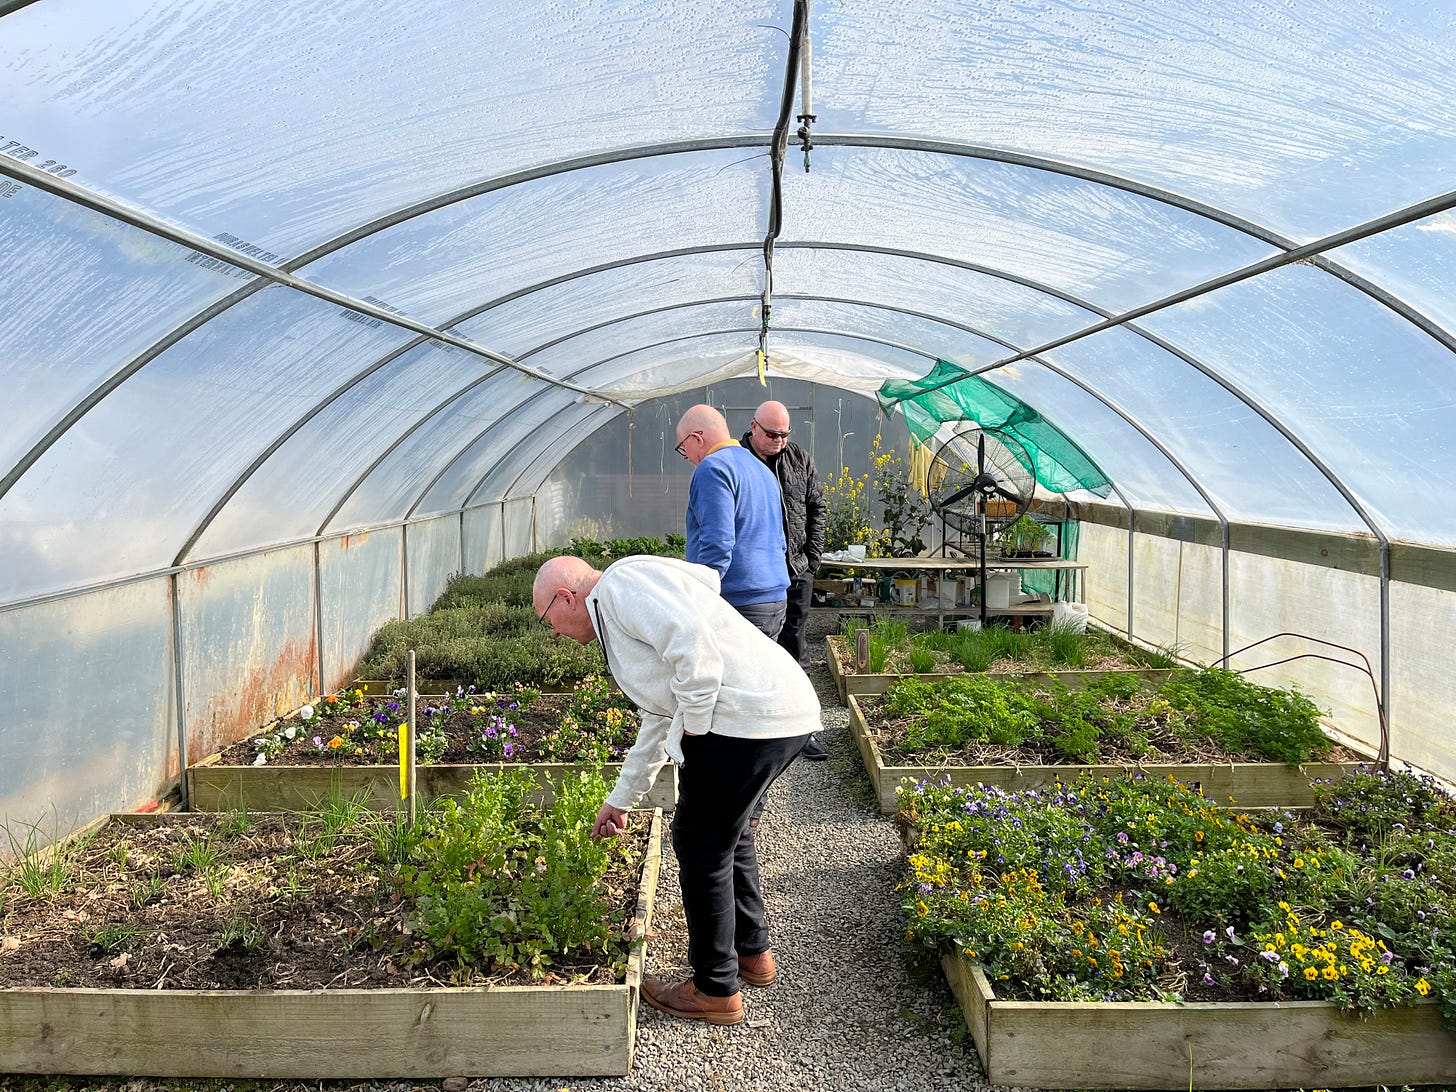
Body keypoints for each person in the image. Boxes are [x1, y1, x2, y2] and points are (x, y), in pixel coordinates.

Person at [534, 553, 819, 1025]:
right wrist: (621, 798)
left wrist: (698, 726)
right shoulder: (618, 605)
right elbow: (660, 712)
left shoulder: (621, 586)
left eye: (550, 621)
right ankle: (752, 954)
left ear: (566, 597)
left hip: (746, 720)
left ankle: (714, 989)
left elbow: (694, 649)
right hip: (780, 713)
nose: (555, 633)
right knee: (730, 830)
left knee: (698, 841)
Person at [742, 399, 828, 761]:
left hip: (795, 569)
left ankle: (802, 729)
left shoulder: (799, 459)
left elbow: (817, 507)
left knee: (795, 643)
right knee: (752, 649)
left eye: (784, 434)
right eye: (772, 433)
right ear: (753, 427)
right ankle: (753, 730)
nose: (778, 440)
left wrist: (812, 558)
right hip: (755, 574)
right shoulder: (737, 460)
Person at [674, 404, 789, 640]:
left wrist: (700, 599)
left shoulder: (713, 468)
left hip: (739, 602)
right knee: (761, 675)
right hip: (775, 599)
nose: (687, 456)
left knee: (732, 677)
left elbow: (718, 544)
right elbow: (780, 539)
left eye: (683, 447)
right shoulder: (761, 468)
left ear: (696, 438)